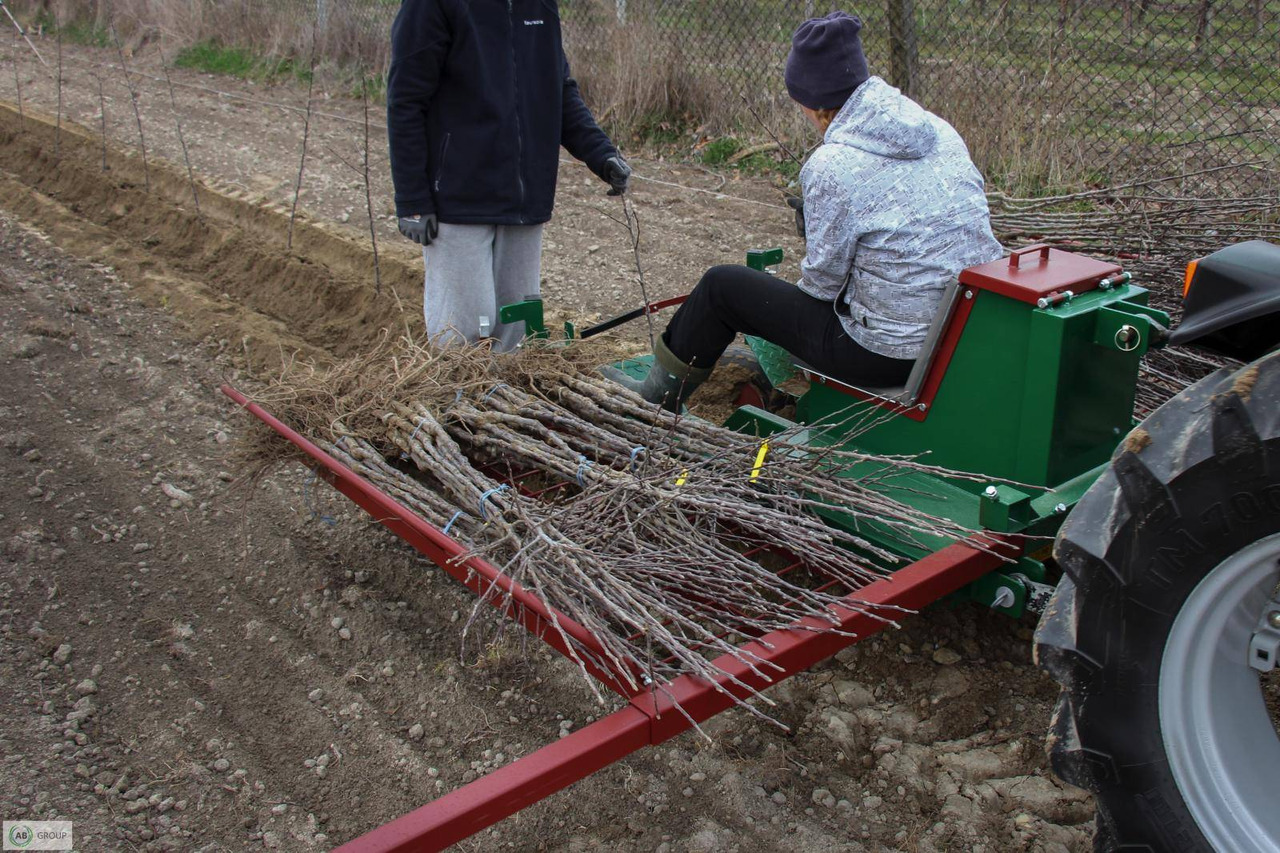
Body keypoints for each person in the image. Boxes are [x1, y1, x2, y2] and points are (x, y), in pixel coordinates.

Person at [612, 11, 1003, 411]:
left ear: (814, 104)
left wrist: (822, 231)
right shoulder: (939, 131)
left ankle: (653, 402)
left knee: (720, 287)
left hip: (887, 357)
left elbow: (823, 285)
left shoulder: (831, 165)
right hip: (961, 336)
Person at [386, 0, 632, 351]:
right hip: (459, 198)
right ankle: (454, 403)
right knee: (462, 330)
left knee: (518, 326)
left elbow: (558, 88)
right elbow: (405, 101)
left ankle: (507, 402)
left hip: (526, 198)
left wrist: (601, 153)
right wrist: (411, 199)